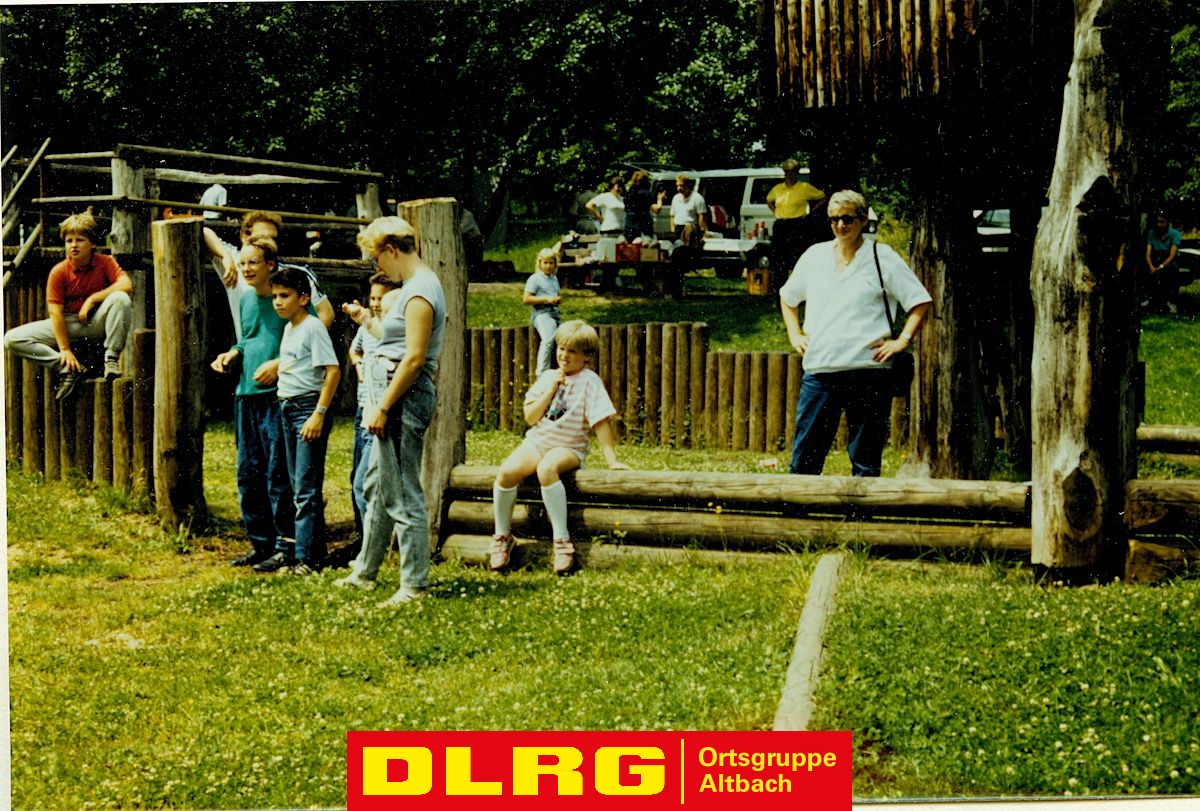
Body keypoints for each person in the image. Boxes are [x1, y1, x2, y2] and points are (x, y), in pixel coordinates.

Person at [779, 189, 931, 477]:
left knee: (865, 461)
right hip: (821, 369)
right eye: (834, 219)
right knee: (804, 458)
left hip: (868, 372)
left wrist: (902, 340)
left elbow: (919, 300)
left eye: (847, 219)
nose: (840, 225)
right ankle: (797, 506)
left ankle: (861, 508)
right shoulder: (814, 256)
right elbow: (788, 298)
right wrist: (795, 334)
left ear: (863, 220)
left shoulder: (881, 257)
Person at [334, 216, 445, 606]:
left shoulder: (420, 292)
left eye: (377, 258)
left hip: (402, 399)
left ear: (392, 250)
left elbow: (414, 359)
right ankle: (365, 571)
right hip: (390, 395)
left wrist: (382, 407)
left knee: (402, 492)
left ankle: (414, 584)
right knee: (378, 486)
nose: (377, 266)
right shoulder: (413, 287)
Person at [489, 319, 630, 576]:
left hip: (569, 447)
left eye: (572, 351)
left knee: (547, 469)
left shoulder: (590, 381)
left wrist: (612, 460)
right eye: (561, 348)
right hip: (538, 441)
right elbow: (531, 417)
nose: (564, 355)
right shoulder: (547, 377)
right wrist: (551, 388)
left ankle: (562, 541)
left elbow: (601, 422)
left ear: (587, 356)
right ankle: (502, 536)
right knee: (506, 473)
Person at [210, 237, 315, 571]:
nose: (246, 269)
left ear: (271, 265)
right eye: (242, 263)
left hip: (277, 397)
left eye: (253, 262)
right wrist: (232, 353)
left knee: (277, 473)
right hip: (246, 394)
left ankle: (286, 545)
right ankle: (261, 544)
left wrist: (278, 365)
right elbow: (248, 339)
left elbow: (309, 341)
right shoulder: (246, 299)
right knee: (248, 472)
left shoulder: (287, 300)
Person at [3, 209, 133, 400]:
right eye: (69, 240)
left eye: (80, 240)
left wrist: (92, 299)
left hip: (95, 322)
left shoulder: (105, 262)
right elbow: (55, 314)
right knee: (11, 339)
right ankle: (68, 368)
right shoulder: (59, 272)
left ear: (93, 243)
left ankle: (111, 358)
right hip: (67, 325)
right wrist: (65, 350)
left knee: (121, 298)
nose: (73, 245)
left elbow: (126, 284)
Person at [270, 266, 341, 575]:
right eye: (275, 296)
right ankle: (313, 552)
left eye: (284, 296)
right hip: (286, 407)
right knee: (297, 483)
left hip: (306, 409)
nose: (278, 302)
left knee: (305, 489)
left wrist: (318, 414)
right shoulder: (290, 328)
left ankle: (306, 560)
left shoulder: (313, 327)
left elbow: (332, 371)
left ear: (303, 298)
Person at [203, 210, 334, 339]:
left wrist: (300, 346)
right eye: (261, 238)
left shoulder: (297, 274)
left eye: (273, 238)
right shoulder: (235, 263)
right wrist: (225, 257)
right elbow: (204, 231)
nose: (269, 243)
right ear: (243, 237)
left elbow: (325, 313)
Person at [347, 274, 401, 547]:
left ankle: (373, 545)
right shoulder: (366, 328)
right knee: (357, 476)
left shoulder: (391, 331)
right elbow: (354, 351)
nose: (376, 303)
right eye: (373, 298)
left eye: (381, 298)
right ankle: (364, 537)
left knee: (365, 483)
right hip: (363, 408)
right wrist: (358, 366)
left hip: (378, 413)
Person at [766, 159, 825, 286]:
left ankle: (800, 287)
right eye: (787, 171)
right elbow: (769, 200)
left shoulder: (804, 188)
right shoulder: (778, 189)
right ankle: (779, 288)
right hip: (781, 225)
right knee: (779, 259)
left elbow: (823, 197)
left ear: (797, 172)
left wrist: (812, 212)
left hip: (798, 226)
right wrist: (776, 211)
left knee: (798, 258)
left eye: (792, 171)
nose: (789, 174)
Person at [663, 174, 707, 298]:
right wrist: (673, 230)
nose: (679, 188)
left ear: (688, 185)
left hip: (690, 231)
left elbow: (701, 218)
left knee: (679, 258)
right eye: (677, 185)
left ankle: (674, 290)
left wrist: (703, 234)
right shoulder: (676, 198)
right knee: (673, 258)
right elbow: (672, 215)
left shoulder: (697, 198)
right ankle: (673, 290)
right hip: (678, 230)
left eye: (681, 185)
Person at [524, 247, 562, 376]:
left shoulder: (554, 279)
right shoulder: (535, 279)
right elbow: (526, 299)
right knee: (548, 339)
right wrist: (546, 299)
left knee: (564, 339)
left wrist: (557, 300)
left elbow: (556, 294)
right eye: (545, 263)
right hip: (542, 313)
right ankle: (541, 373)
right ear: (539, 263)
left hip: (555, 313)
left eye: (551, 263)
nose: (548, 266)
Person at [1145, 211, 1183, 313]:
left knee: (1172, 269)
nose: (1159, 225)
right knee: (1145, 269)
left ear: (1167, 222)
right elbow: (1148, 254)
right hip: (1156, 258)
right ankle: (1150, 298)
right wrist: (1151, 266)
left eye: (1162, 222)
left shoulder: (1175, 234)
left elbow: (1172, 255)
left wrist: (1160, 267)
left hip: (1169, 259)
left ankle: (1171, 302)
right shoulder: (1152, 233)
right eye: (1157, 222)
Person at [623, 170, 655, 242]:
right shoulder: (647, 193)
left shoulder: (628, 193)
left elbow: (626, 207)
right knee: (646, 244)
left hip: (630, 222)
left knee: (630, 244)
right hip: (644, 222)